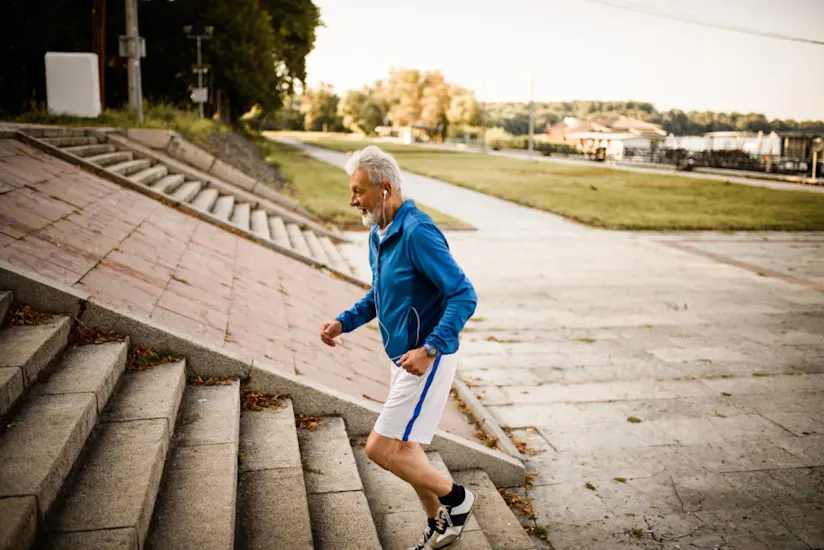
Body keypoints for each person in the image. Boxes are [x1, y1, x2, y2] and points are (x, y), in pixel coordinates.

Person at [320, 146, 478, 550]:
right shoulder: (380, 232)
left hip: (426, 360)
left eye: (358, 191)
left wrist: (429, 350)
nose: (352, 200)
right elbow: (379, 294)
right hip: (402, 359)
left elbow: (463, 294)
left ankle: (457, 500)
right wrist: (344, 322)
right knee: (406, 448)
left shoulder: (417, 233)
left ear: (385, 188)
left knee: (381, 448)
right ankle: (438, 522)